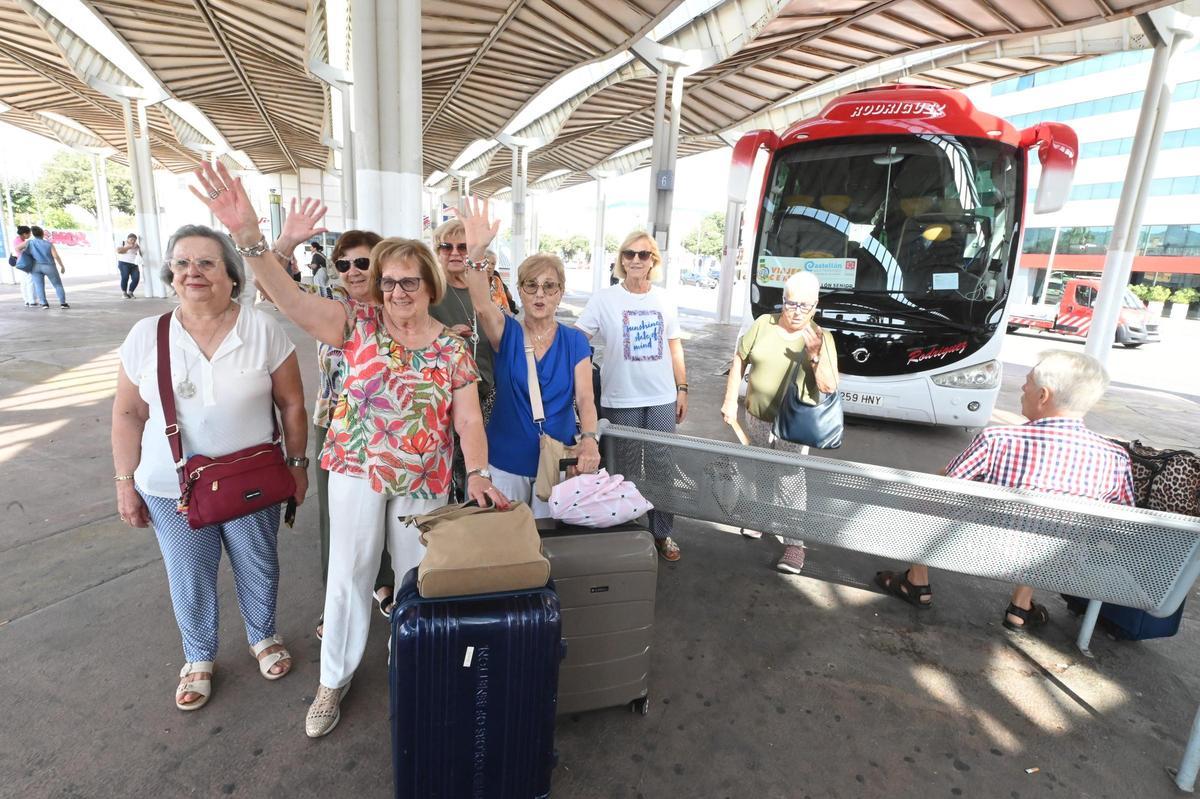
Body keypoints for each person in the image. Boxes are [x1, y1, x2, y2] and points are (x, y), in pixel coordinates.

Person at [190, 160, 508, 738]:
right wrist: (251, 240)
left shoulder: (452, 350)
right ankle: (332, 680)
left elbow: (465, 418)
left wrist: (480, 471)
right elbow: (285, 296)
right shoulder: (354, 324)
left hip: (425, 478)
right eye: (388, 280)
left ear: (429, 285)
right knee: (349, 575)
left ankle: (418, 668)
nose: (396, 291)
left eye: (409, 280)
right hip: (357, 471)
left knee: (416, 579)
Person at [110, 223, 308, 712]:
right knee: (189, 574)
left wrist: (298, 464)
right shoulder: (146, 335)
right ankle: (197, 657)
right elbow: (128, 413)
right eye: (181, 263)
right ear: (170, 274)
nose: (191, 272)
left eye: (205, 262)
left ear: (231, 276)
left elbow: (293, 405)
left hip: (251, 480)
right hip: (169, 485)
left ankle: (263, 635)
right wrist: (124, 481)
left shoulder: (261, 328)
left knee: (259, 563)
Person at [874, 350, 1134, 631]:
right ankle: (1021, 606)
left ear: (1043, 396)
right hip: (1060, 565)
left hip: (982, 553)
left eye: (1028, 381)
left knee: (929, 492)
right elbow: (1122, 520)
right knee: (1053, 525)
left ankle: (917, 581)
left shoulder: (998, 439)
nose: (1023, 388)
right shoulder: (1115, 456)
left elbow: (942, 488)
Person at [273, 215, 395, 638]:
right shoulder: (328, 303)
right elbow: (271, 288)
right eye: (343, 264)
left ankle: (384, 583)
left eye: (363, 263)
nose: (353, 272)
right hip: (337, 426)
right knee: (338, 519)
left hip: (391, 426)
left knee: (392, 510)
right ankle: (337, 601)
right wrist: (286, 242)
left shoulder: (399, 304)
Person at [457, 198, 601, 515]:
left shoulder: (575, 341)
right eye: (531, 285)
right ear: (519, 290)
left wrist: (590, 438)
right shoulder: (506, 331)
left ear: (561, 292)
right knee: (507, 546)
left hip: (557, 459)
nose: (540, 294)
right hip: (505, 460)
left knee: (549, 546)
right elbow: (481, 303)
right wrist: (477, 252)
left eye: (549, 287)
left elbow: (586, 399)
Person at [576, 231, 687, 561]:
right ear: (621, 259)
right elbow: (579, 338)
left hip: (661, 397)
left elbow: (674, 347)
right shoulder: (604, 298)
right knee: (621, 469)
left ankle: (661, 533)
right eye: (629, 254)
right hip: (620, 398)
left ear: (653, 260)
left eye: (643, 254)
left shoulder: (665, 299)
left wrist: (682, 388)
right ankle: (624, 530)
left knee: (661, 468)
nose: (636, 260)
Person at [720, 271, 838, 574]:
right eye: (791, 304)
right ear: (782, 301)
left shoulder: (820, 338)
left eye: (805, 306)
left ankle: (795, 544)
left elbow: (827, 387)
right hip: (757, 415)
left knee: (791, 481)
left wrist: (814, 356)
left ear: (816, 305)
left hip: (794, 424)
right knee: (761, 469)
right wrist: (731, 399)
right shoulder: (763, 325)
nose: (797, 312)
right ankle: (761, 518)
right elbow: (739, 359)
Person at [26, 226, 69, 309]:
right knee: (57, 285)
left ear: (33, 234)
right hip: (49, 266)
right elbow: (55, 256)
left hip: (35, 267)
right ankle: (63, 304)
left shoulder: (30, 243)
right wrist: (62, 266)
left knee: (39, 286)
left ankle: (44, 304)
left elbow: (18, 248)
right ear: (42, 233)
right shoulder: (48, 244)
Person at [11, 225, 35, 306]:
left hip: (20, 263)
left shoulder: (16, 240)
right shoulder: (23, 242)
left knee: (24, 282)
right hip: (25, 263)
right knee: (30, 281)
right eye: (29, 233)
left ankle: (26, 301)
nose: (30, 235)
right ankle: (31, 301)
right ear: (24, 234)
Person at [116, 233, 142, 298]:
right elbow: (119, 251)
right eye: (131, 239)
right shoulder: (123, 243)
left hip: (134, 264)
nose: (132, 241)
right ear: (127, 239)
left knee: (136, 278)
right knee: (125, 277)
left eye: (134, 240)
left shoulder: (136, 245)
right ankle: (124, 293)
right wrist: (129, 247)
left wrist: (138, 247)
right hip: (123, 263)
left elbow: (141, 253)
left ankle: (130, 292)